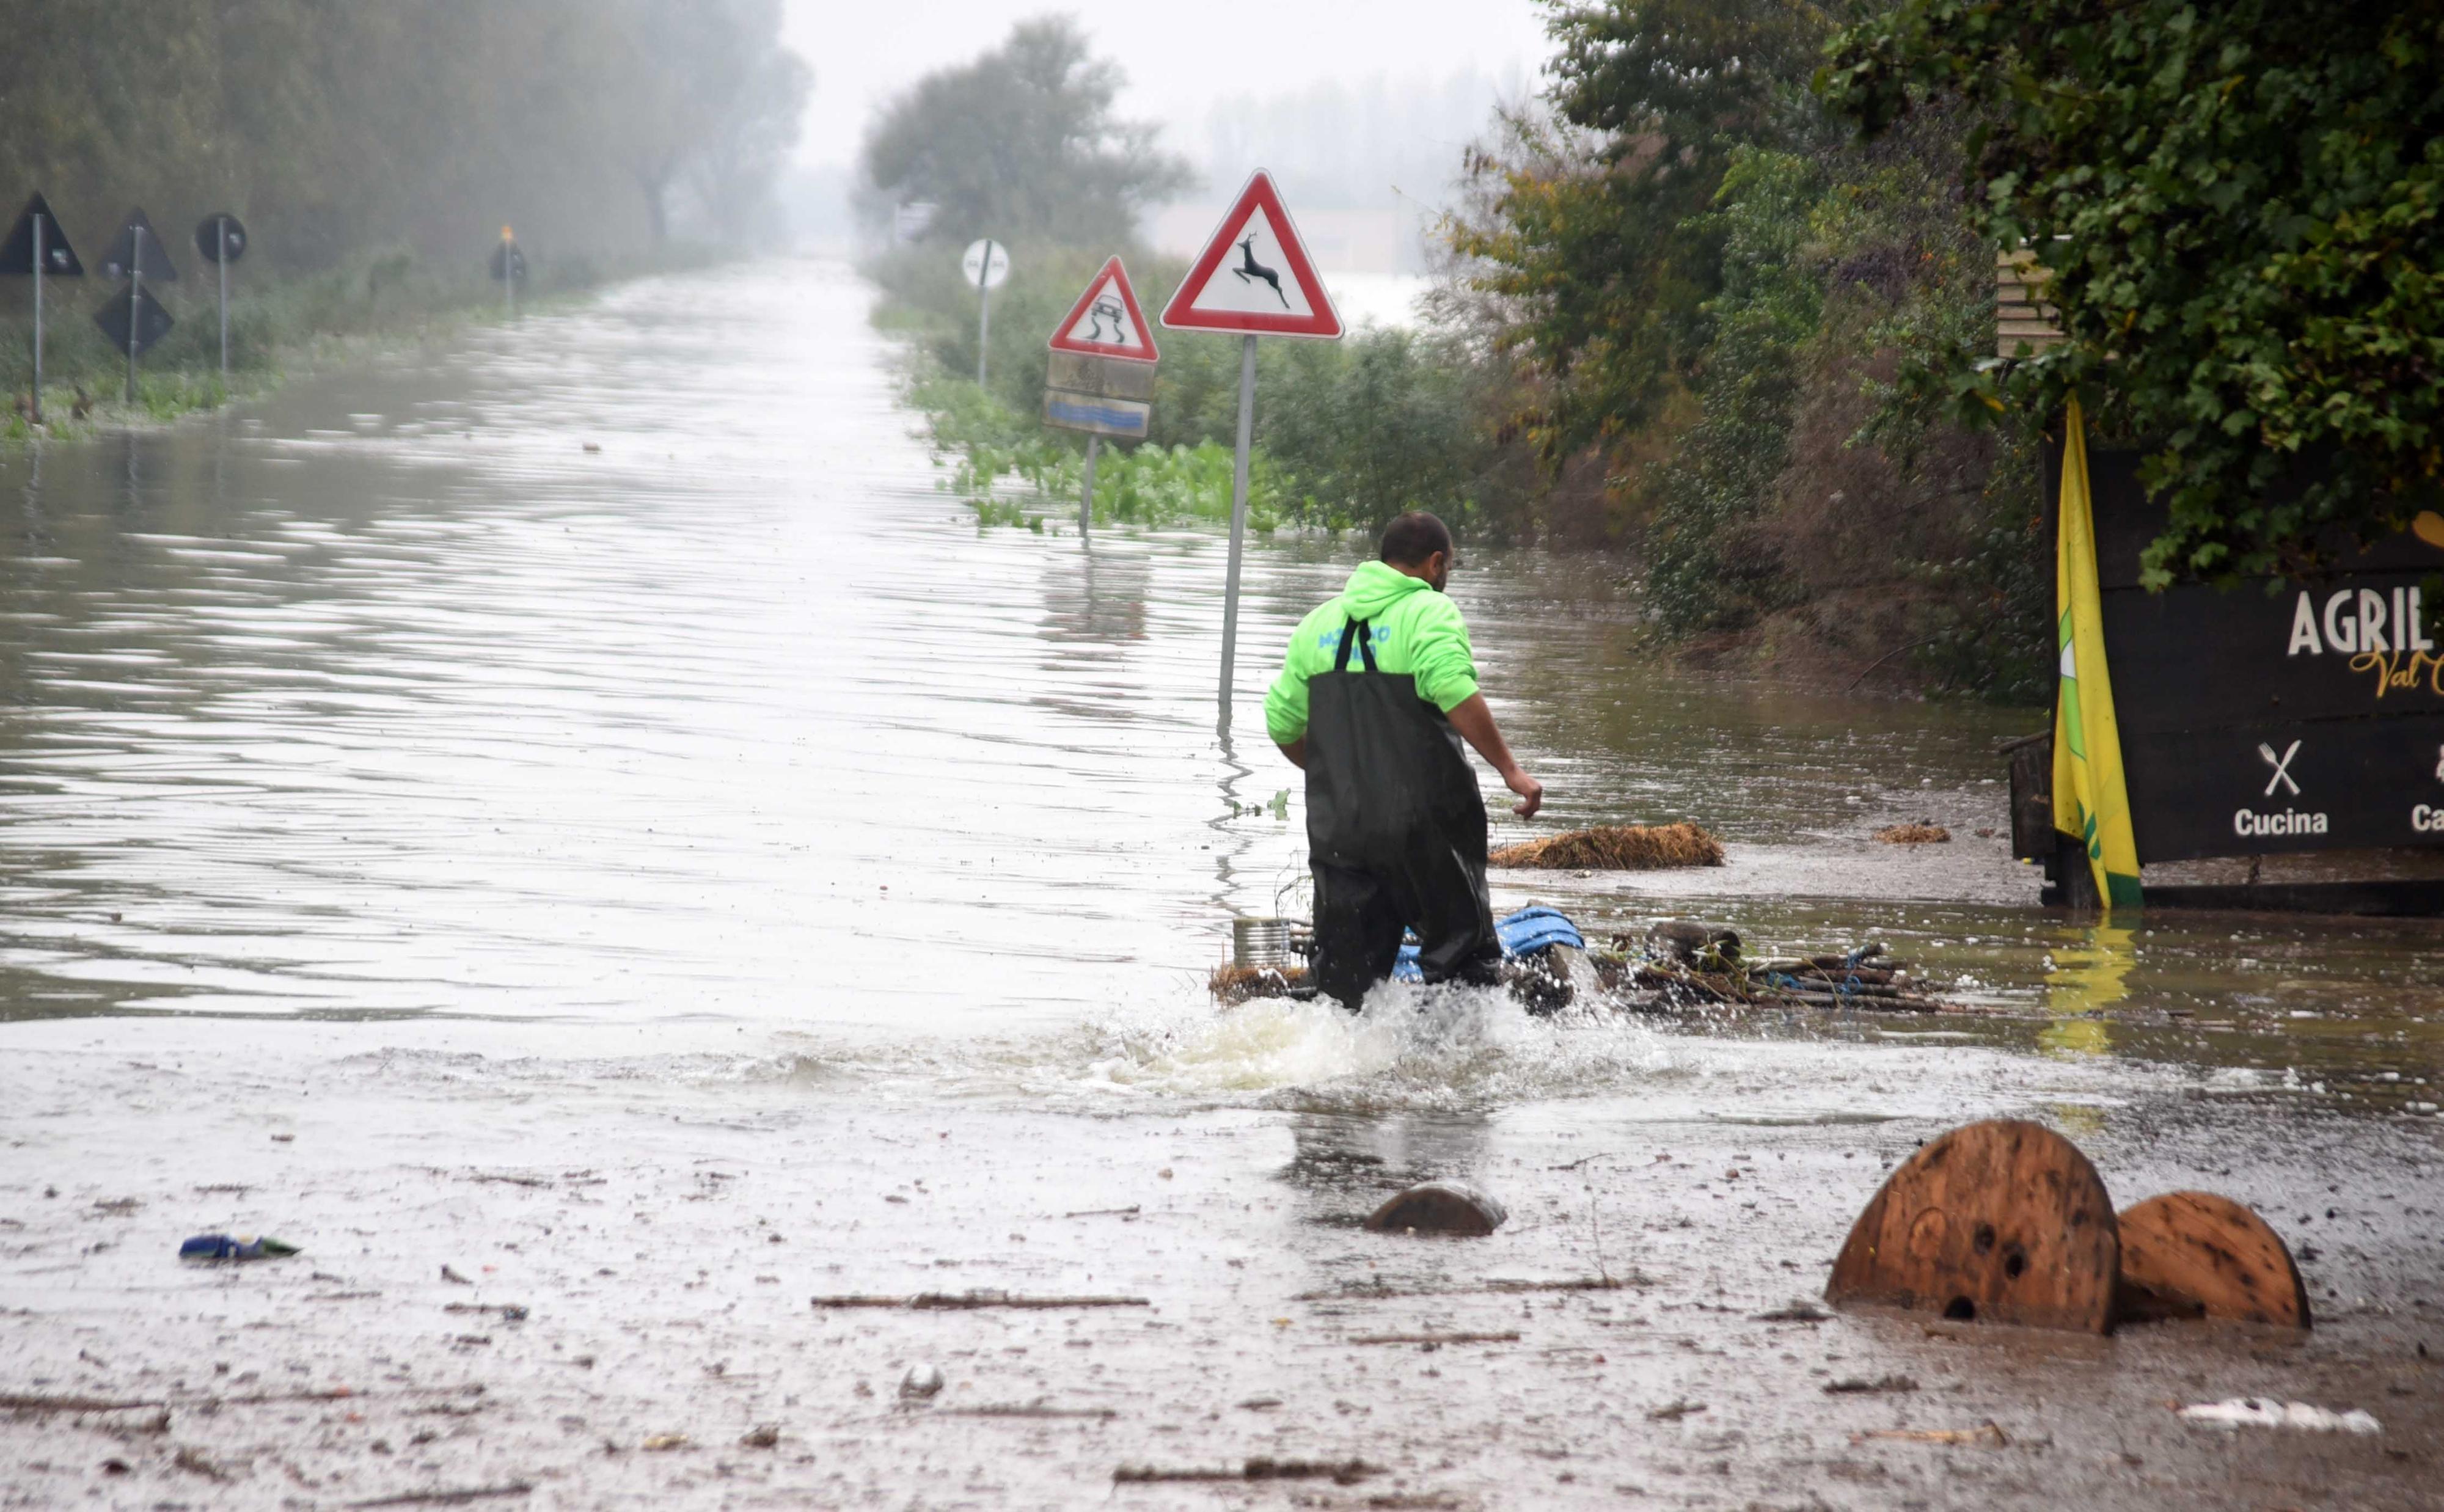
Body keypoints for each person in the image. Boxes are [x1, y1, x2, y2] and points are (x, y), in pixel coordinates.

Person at [1264, 511, 1544, 1009]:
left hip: (1341, 832)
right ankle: (1459, 1072)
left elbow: (1282, 724)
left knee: (1345, 989)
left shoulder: (1317, 624)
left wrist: (1339, 775)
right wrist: (1511, 770)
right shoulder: (1429, 613)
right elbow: (1454, 690)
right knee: (1464, 970)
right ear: (1437, 563)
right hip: (1426, 829)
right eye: (1449, 566)